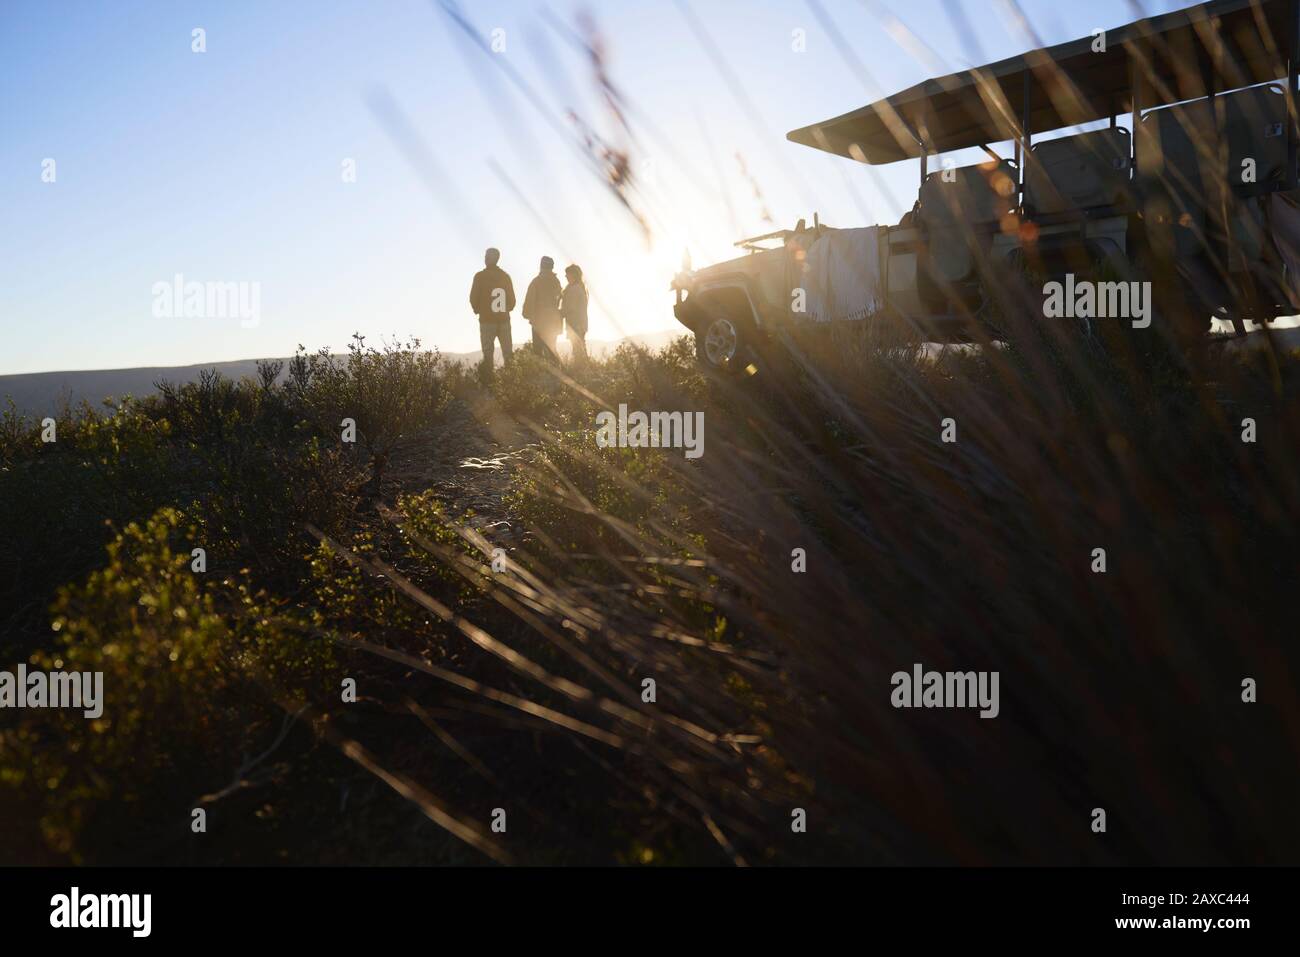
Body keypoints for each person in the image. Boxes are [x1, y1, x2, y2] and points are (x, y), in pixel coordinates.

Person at [469, 247, 515, 378]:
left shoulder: (480, 277)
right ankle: (512, 380)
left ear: (491, 258)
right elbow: (512, 300)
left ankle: (489, 381)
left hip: (487, 320)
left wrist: (478, 310)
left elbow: (473, 298)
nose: (485, 258)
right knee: (508, 352)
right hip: (504, 320)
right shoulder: (505, 277)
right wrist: (506, 310)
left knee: (488, 353)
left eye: (487, 256)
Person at [522, 256, 563, 362]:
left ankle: (541, 374)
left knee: (538, 351)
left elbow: (529, 300)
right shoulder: (556, 281)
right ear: (552, 267)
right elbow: (559, 299)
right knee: (551, 348)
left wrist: (527, 314)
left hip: (539, 321)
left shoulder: (536, 282)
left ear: (541, 266)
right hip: (554, 320)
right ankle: (557, 373)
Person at [561, 263, 589, 362]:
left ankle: (582, 371)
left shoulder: (574, 289)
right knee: (580, 349)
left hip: (576, 324)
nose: (566, 276)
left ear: (573, 275)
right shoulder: (579, 287)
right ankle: (586, 370)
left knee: (578, 351)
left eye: (567, 274)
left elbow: (571, 308)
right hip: (579, 324)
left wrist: (559, 313)